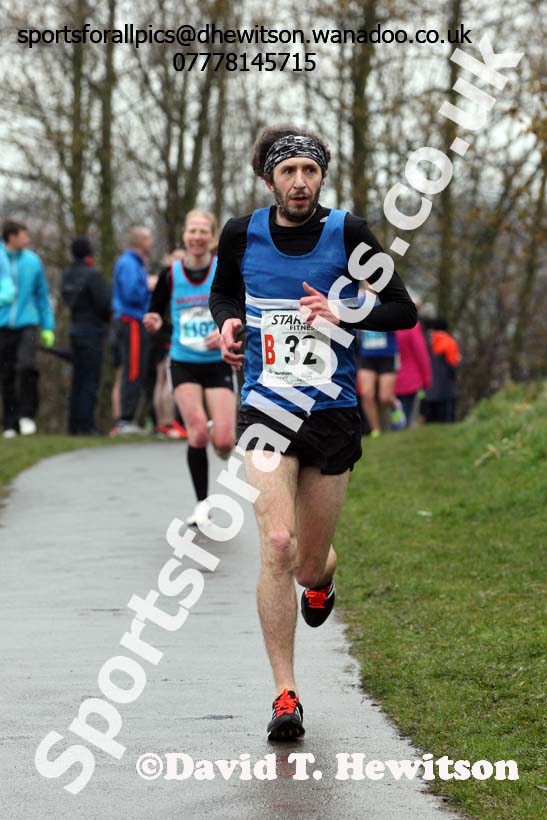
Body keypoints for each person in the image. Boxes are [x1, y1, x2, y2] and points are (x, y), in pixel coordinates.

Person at [209, 125, 416, 739]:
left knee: (305, 564)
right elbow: (224, 291)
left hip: (332, 414)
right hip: (266, 407)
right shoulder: (241, 233)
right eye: (288, 171)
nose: (299, 181)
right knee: (276, 543)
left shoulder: (348, 233)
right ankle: (285, 696)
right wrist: (228, 326)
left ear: (322, 176)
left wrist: (344, 310)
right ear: (268, 178)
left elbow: (403, 309)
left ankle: (322, 578)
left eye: (309, 170)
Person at [144, 211, 236, 527]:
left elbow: (240, 311)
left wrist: (226, 330)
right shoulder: (170, 275)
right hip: (183, 362)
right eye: (192, 231)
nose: (197, 237)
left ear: (211, 237)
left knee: (224, 442)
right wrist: (154, 320)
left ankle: (219, 433)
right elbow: (154, 311)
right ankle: (201, 503)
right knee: (196, 431)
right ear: (184, 235)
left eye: (203, 232)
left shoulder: (223, 270)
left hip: (218, 362)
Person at [0, 220, 55, 437]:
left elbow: (42, 295)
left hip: (27, 323)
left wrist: (48, 326)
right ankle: (10, 423)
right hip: (3, 325)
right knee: (6, 374)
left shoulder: (33, 262)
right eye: (23, 235)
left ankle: (27, 416)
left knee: (26, 366)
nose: (27, 239)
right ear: (11, 236)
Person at [61, 237, 111, 435]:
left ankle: (73, 425)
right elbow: (104, 304)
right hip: (92, 332)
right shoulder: (93, 275)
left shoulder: (67, 275)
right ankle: (87, 425)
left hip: (74, 330)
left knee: (77, 379)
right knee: (90, 380)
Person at [111, 226, 153, 434]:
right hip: (131, 322)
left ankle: (127, 418)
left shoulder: (136, 263)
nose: (151, 243)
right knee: (133, 369)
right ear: (140, 241)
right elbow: (131, 294)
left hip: (133, 321)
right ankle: (125, 419)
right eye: (148, 238)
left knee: (134, 368)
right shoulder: (128, 264)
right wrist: (149, 286)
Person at [357, 305, 406, 436]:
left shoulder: (388, 297)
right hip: (367, 355)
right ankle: (375, 430)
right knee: (367, 394)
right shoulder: (360, 299)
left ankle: (395, 405)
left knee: (384, 397)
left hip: (387, 355)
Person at [395, 294, 432, 427]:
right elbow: (421, 353)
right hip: (411, 378)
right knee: (407, 413)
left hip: (390, 377)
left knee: (395, 412)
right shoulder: (412, 326)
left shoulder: (388, 325)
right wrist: (427, 378)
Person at [420, 316, 461, 422]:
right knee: (446, 420)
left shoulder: (425, 341)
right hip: (445, 390)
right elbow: (454, 364)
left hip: (427, 391)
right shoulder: (449, 342)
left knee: (429, 420)